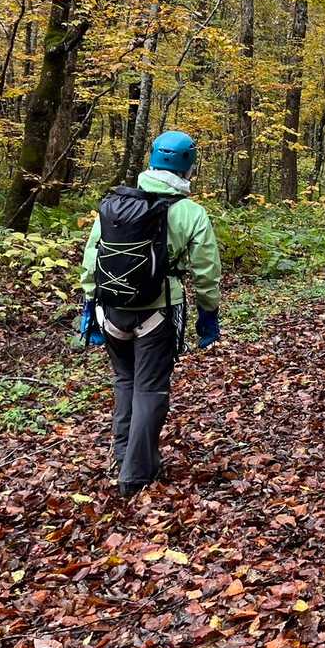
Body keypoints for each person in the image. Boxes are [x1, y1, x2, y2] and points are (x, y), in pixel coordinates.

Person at [78, 131, 221, 497]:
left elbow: (92, 257)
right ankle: (137, 473)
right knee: (150, 388)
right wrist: (208, 314)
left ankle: (123, 455)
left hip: (111, 310)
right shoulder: (190, 212)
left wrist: (90, 305)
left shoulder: (115, 205)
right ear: (188, 167)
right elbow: (206, 271)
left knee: (125, 381)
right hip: (159, 311)